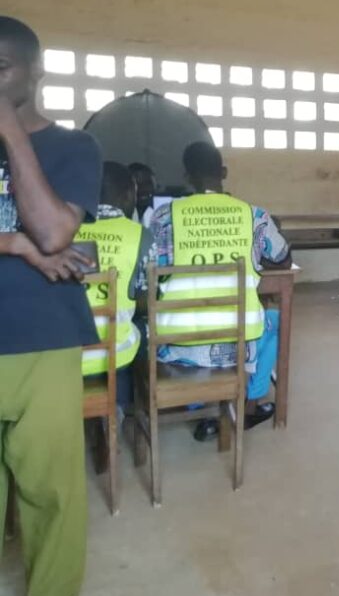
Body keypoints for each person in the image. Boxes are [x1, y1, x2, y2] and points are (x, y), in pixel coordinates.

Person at [0, 16, 102, 596]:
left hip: (44, 337)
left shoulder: (73, 147)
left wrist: (11, 132)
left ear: (35, 73)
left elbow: (56, 231)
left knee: (49, 484)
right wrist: (15, 245)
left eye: (0, 69)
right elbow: (35, 240)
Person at [148, 141, 290, 441]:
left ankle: (200, 406)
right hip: (239, 344)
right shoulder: (253, 215)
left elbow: (151, 274)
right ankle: (249, 402)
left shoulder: (163, 217)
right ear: (223, 172)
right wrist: (253, 255)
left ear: (187, 176)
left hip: (176, 346)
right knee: (277, 321)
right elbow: (283, 259)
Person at [75, 161, 157, 409]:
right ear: (128, 195)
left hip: (66, 352)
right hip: (115, 353)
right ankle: (125, 406)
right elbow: (148, 300)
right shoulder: (140, 235)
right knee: (143, 326)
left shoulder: (63, 230)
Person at [128, 161, 157, 227]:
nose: (143, 189)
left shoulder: (164, 212)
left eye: (148, 183)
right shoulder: (120, 217)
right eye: (137, 184)